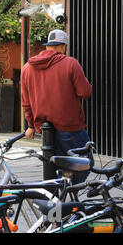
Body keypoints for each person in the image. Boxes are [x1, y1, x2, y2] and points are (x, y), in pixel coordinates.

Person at [21, 29, 93, 184]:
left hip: (46, 130)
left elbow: (25, 102)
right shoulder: (70, 63)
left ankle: (59, 194)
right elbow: (85, 92)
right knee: (86, 163)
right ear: (64, 46)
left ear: (48, 46)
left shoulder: (27, 67)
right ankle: (63, 190)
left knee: (56, 165)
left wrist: (31, 125)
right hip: (69, 127)